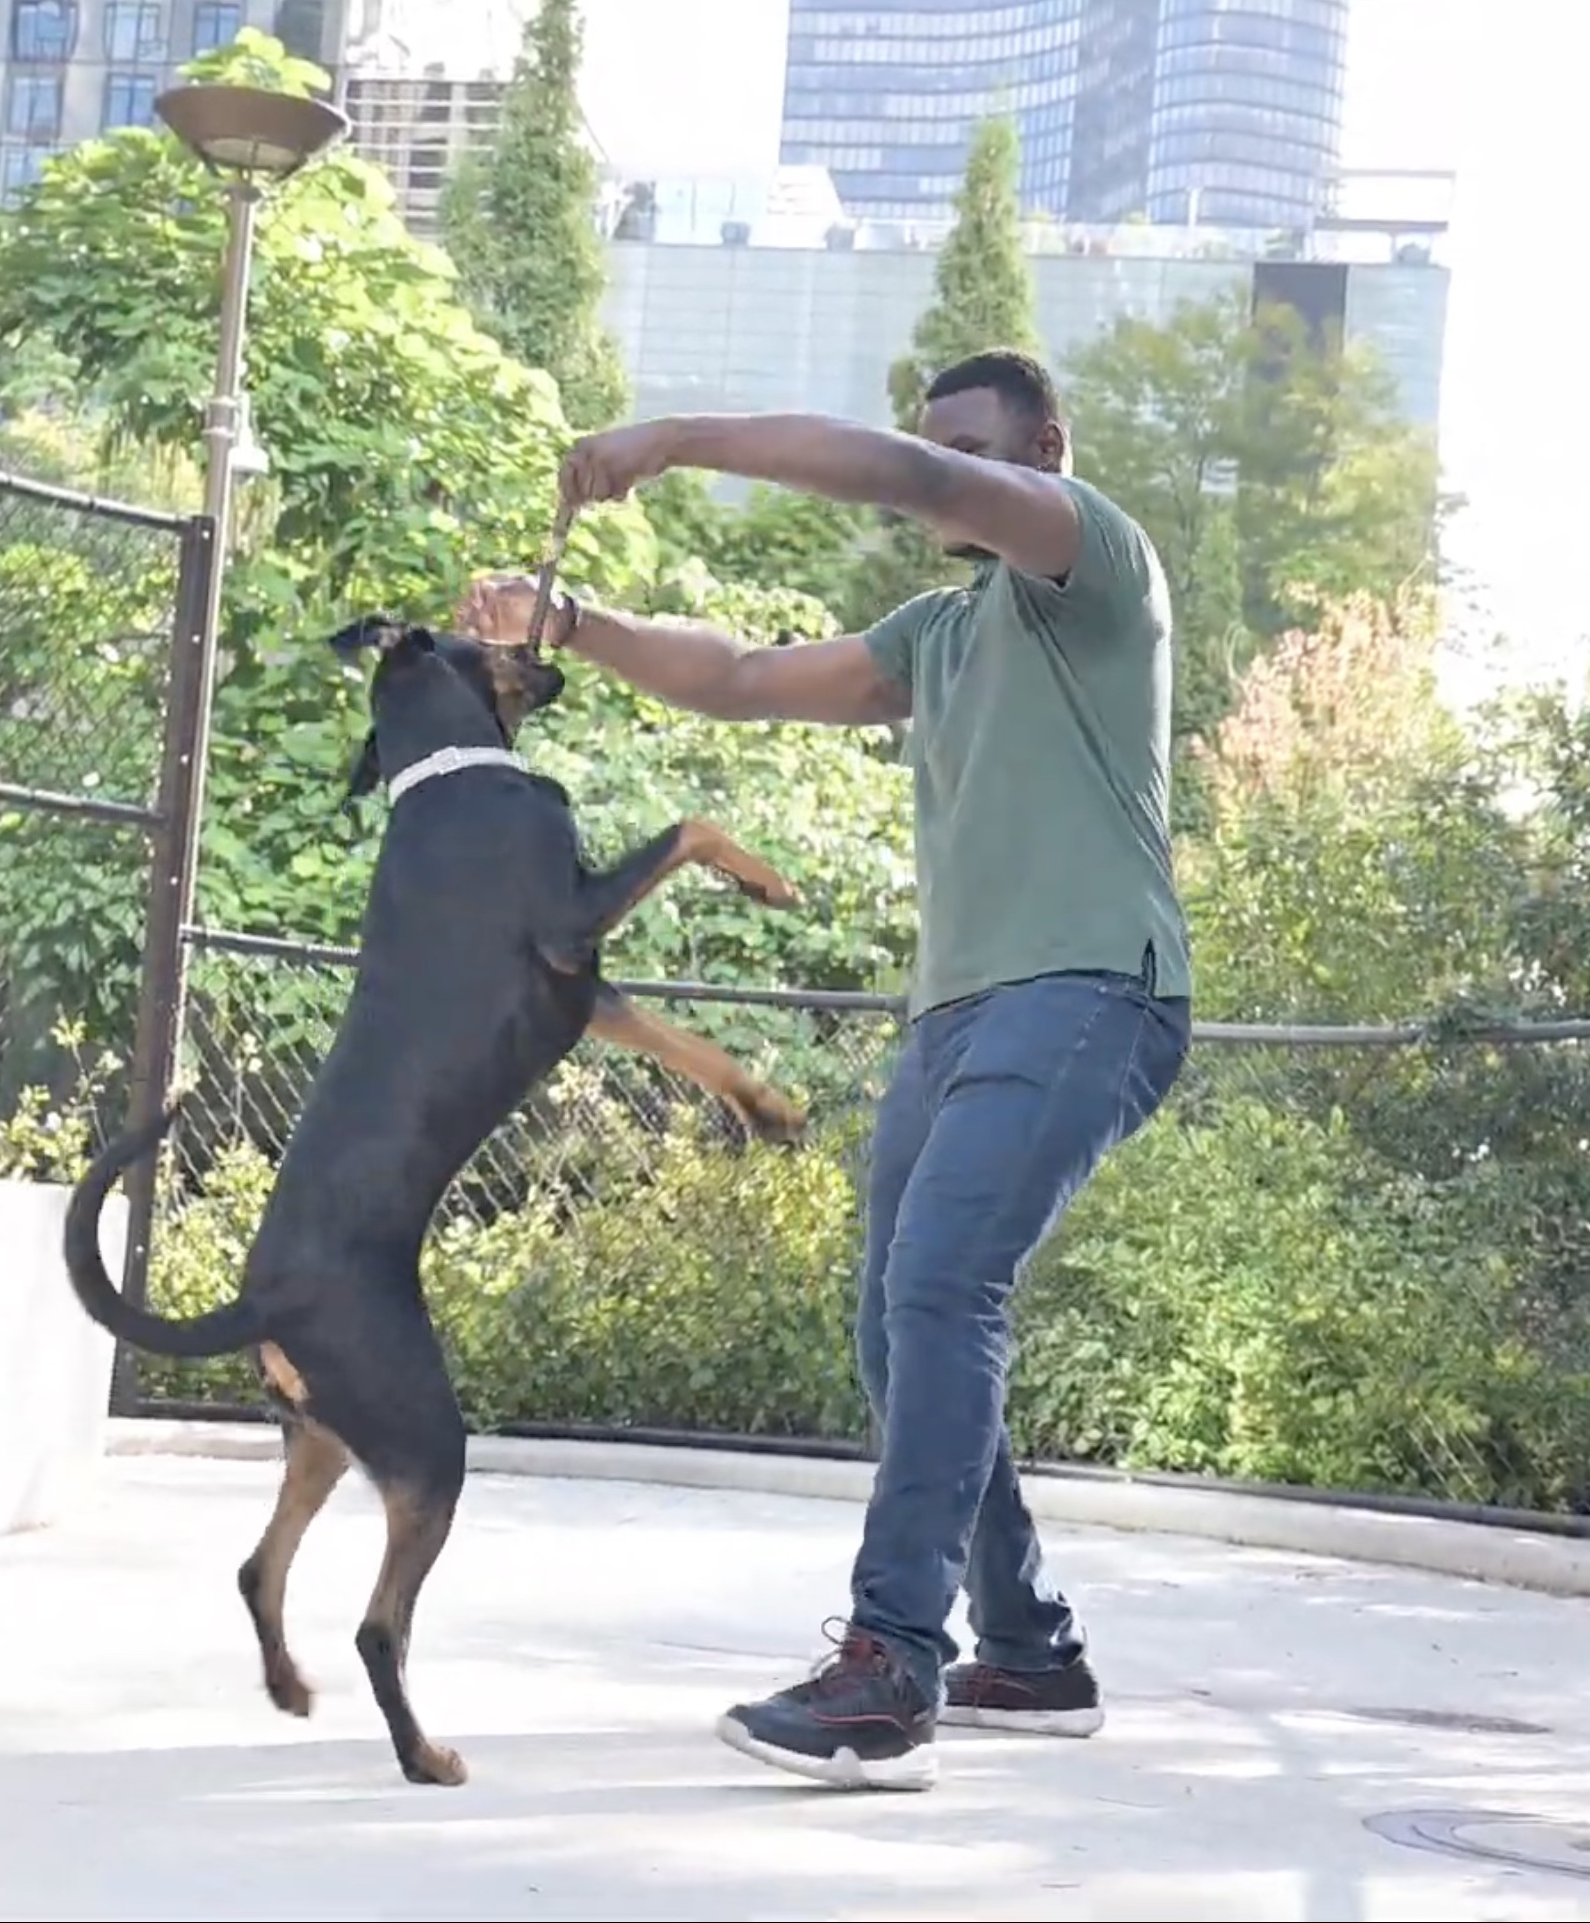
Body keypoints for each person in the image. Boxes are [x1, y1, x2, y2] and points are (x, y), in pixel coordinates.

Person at [457, 350, 1193, 1793]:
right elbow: (733, 678)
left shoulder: (1091, 560)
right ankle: (1031, 1648)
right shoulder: (939, 631)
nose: (953, 476)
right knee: (891, 1321)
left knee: (940, 1286)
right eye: (947, 452)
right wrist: (580, 621)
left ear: (1045, 448)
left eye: (982, 452)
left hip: (1092, 987)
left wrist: (674, 435)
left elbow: (905, 477)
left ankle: (891, 1665)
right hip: (960, 1016)